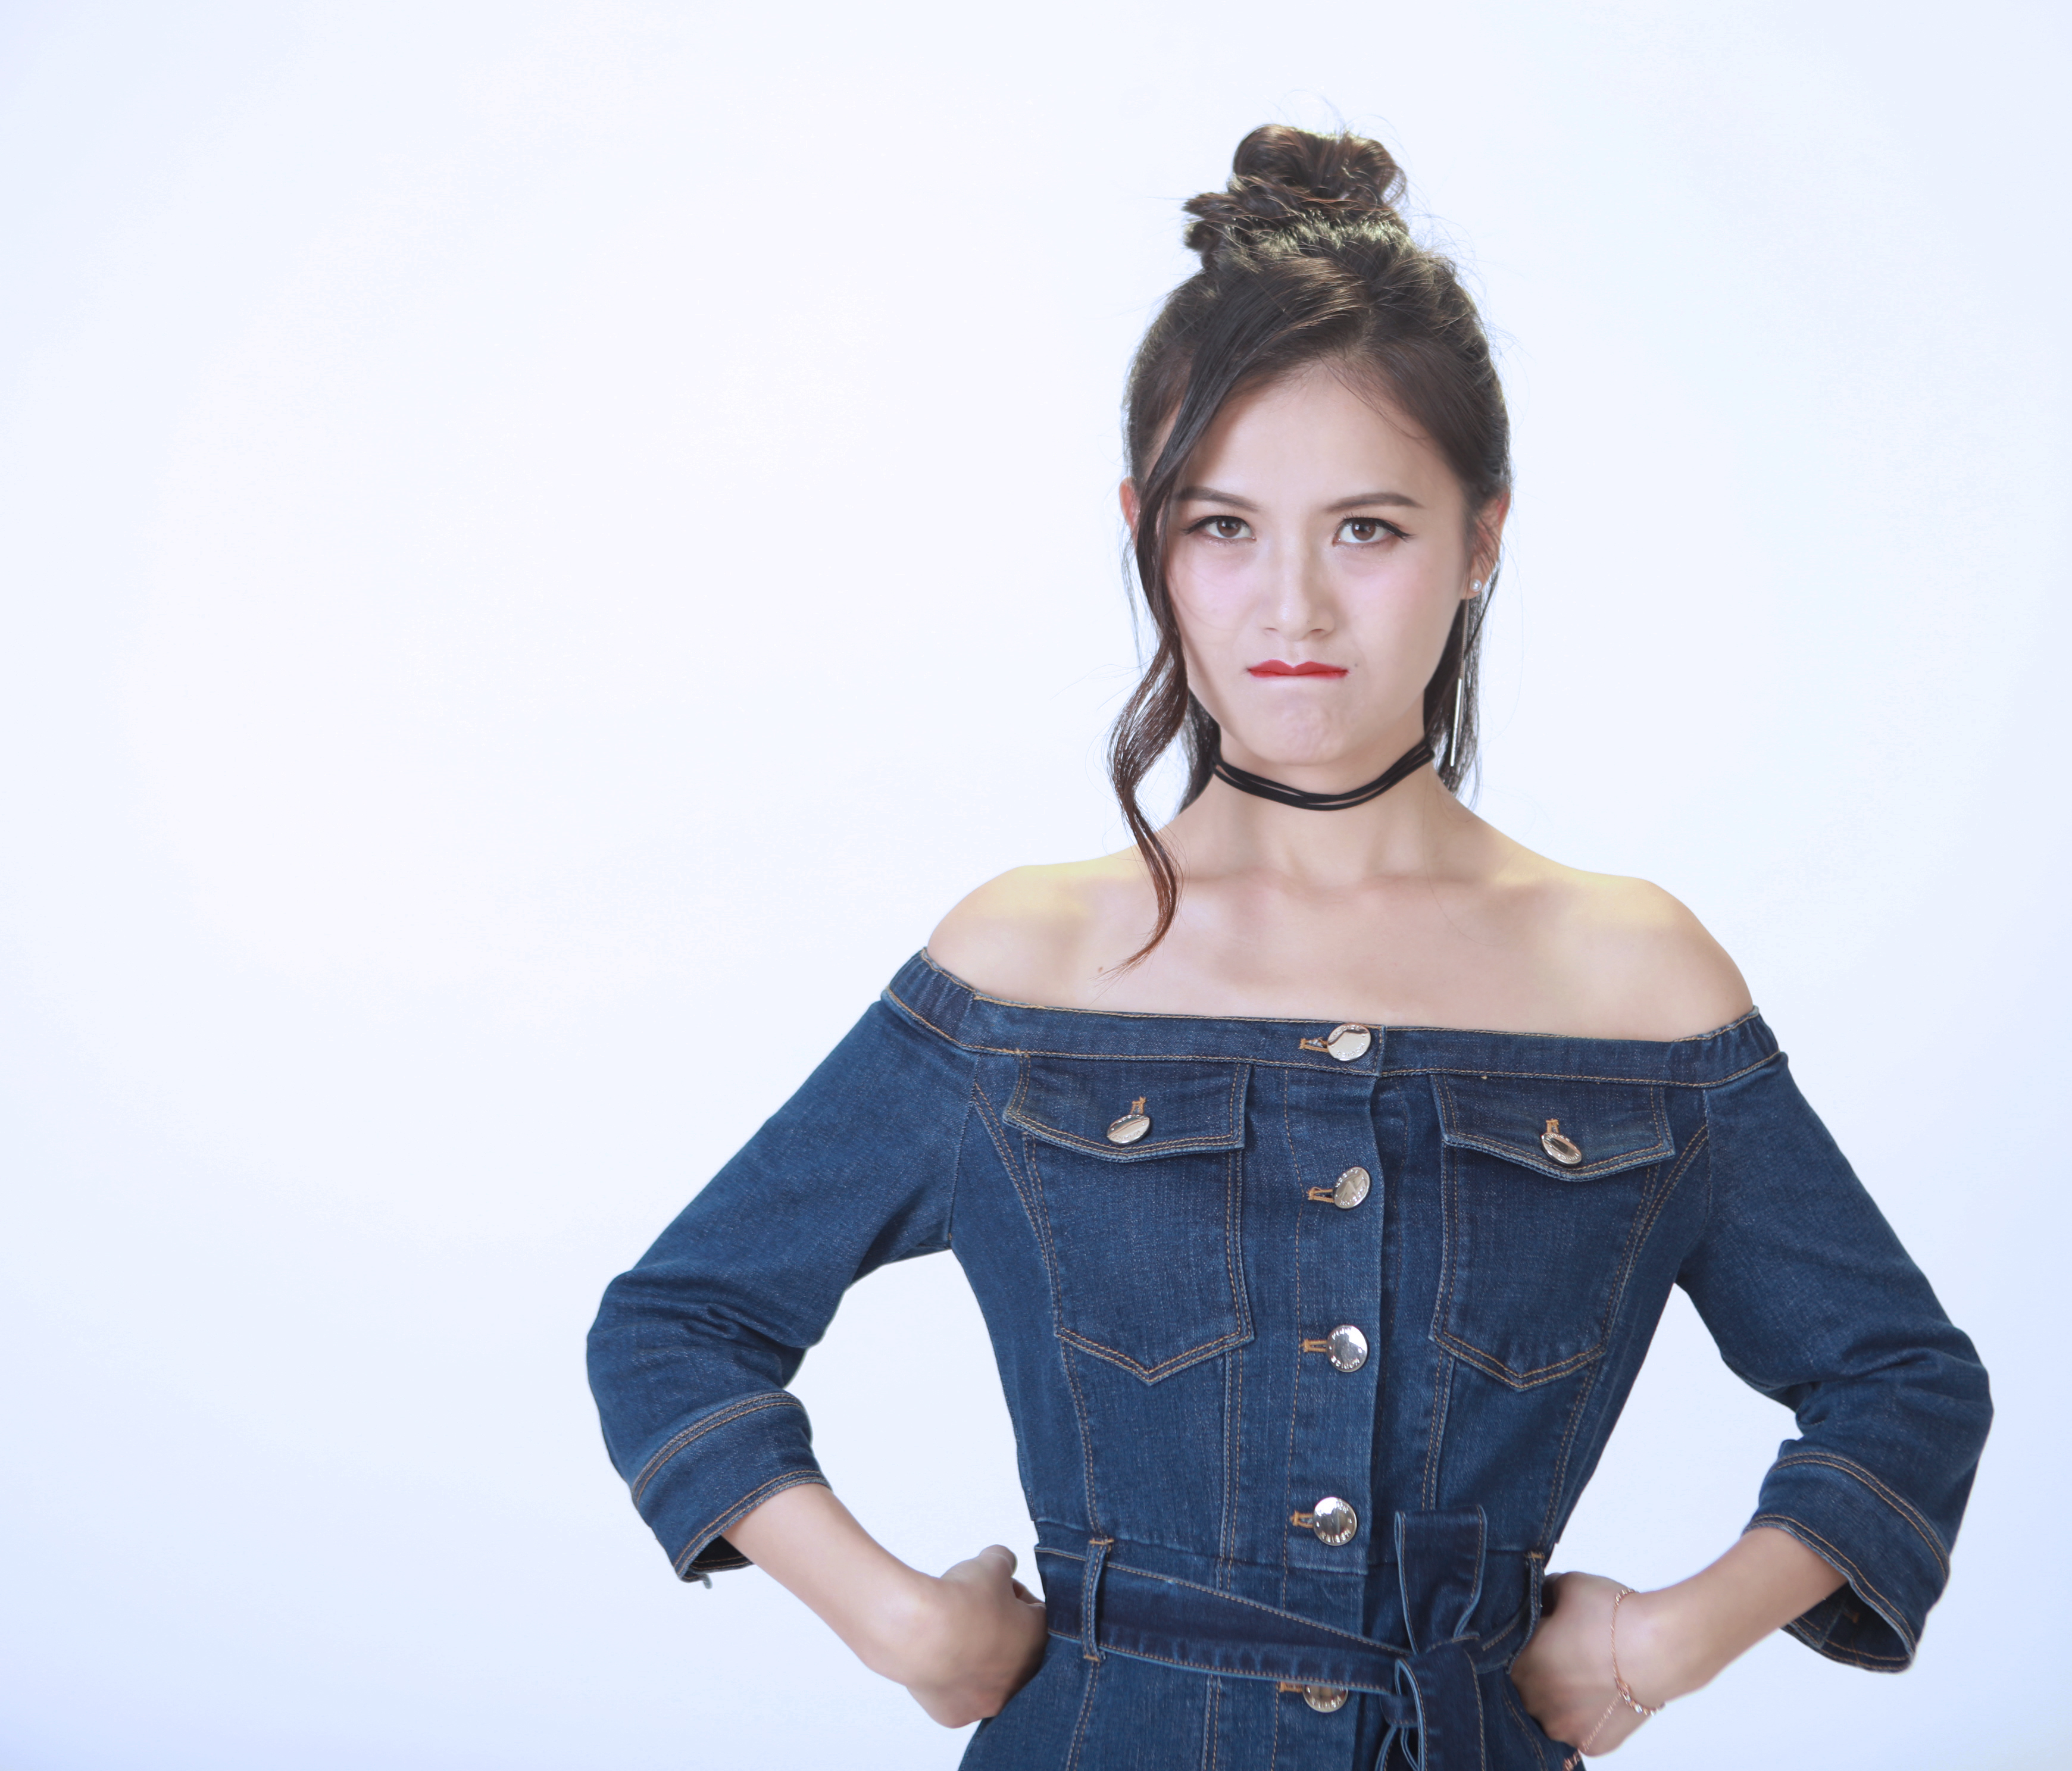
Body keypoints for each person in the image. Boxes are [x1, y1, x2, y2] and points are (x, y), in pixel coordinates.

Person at [587, 124, 1992, 1769]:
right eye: (1224, 527)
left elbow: (1901, 1378)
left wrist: (1669, 1642)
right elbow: (676, 1324)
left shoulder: (1635, 982)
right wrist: (900, 1619)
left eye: (1369, 530)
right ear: (1147, 534)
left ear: (1483, 537)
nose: (1294, 609)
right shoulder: (1021, 972)